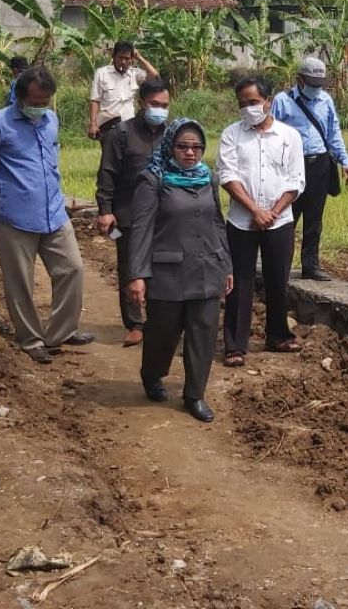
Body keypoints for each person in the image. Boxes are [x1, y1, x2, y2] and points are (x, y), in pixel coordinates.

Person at [0, 66, 94, 364]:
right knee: (20, 281)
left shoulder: (51, 120)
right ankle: (31, 339)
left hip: (53, 212)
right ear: (20, 98)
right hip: (13, 217)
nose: (41, 108)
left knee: (72, 269)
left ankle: (60, 332)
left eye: (46, 101)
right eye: (35, 102)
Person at [125, 119, 232, 423]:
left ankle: (194, 394)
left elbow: (216, 223)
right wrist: (137, 275)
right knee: (162, 333)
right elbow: (141, 229)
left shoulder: (207, 178)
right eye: (183, 146)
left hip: (207, 267)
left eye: (196, 147)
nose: (190, 152)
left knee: (203, 334)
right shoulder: (153, 179)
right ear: (170, 146)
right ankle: (152, 374)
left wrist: (226, 264)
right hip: (168, 272)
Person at [218, 75, 305, 367]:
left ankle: (278, 335)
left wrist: (273, 212)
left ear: (268, 101)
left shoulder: (289, 136)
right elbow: (227, 176)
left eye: (253, 102)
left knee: (277, 279)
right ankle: (235, 345)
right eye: (242, 103)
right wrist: (255, 210)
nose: (248, 108)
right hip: (242, 221)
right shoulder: (232, 134)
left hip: (280, 222)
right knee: (239, 283)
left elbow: (295, 180)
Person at [95, 79, 171, 347]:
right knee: (129, 266)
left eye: (165, 105)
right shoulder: (121, 133)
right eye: (154, 104)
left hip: (164, 216)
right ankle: (135, 323)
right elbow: (107, 173)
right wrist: (105, 210)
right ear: (142, 103)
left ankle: (161, 320)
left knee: (163, 267)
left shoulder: (172, 133)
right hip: (126, 215)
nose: (160, 110)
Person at [270, 57, 348, 281]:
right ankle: (281, 266)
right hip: (292, 166)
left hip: (320, 165)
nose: (317, 89)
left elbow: (333, 132)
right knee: (288, 217)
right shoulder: (282, 101)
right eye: (312, 83)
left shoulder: (325, 100)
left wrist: (344, 160)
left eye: (320, 84)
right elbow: (271, 136)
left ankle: (310, 266)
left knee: (314, 219)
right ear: (300, 79)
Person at [89, 41, 159, 142]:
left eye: (127, 59)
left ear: (131, 59)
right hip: (109, 127)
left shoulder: (134, 74)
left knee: (130, 156)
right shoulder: (102, 73)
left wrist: (139, 57)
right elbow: (95, 100)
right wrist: (93, 124)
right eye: (120, 58)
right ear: (113, 57)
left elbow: (155, 78)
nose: (123, 62)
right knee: (110, 157)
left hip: (129, 126)